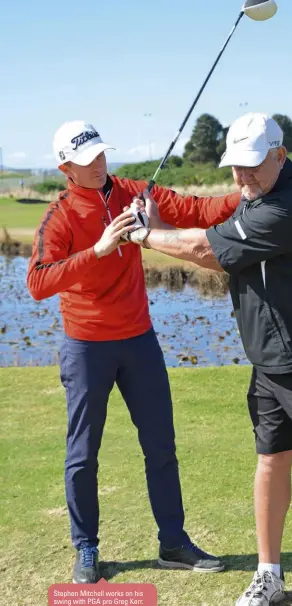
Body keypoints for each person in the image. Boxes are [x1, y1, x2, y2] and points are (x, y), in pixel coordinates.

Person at [128, 113, 292, 606]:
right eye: (235, 167)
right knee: (270, 461)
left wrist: (143, 236)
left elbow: (205, 248)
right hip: (269, 360)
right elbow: (216, 246)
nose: (242, 177)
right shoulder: (259, 198)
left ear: (280, 155)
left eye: (252, 166)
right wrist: (161, 225)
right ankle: (269, 575)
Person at [26, 120, 242, 584]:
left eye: (102, 154)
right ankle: (86, 547)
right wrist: (101, 249)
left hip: (139, 340)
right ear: (66, 167)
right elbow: (39, 282)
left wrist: (245, 193)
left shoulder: (132, 192)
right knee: (83, 453)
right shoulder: (60, 215)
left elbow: (195, 208)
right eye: (88, 161)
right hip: (85, 345)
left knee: (160, 444)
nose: (100, 164)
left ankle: (174, 543)